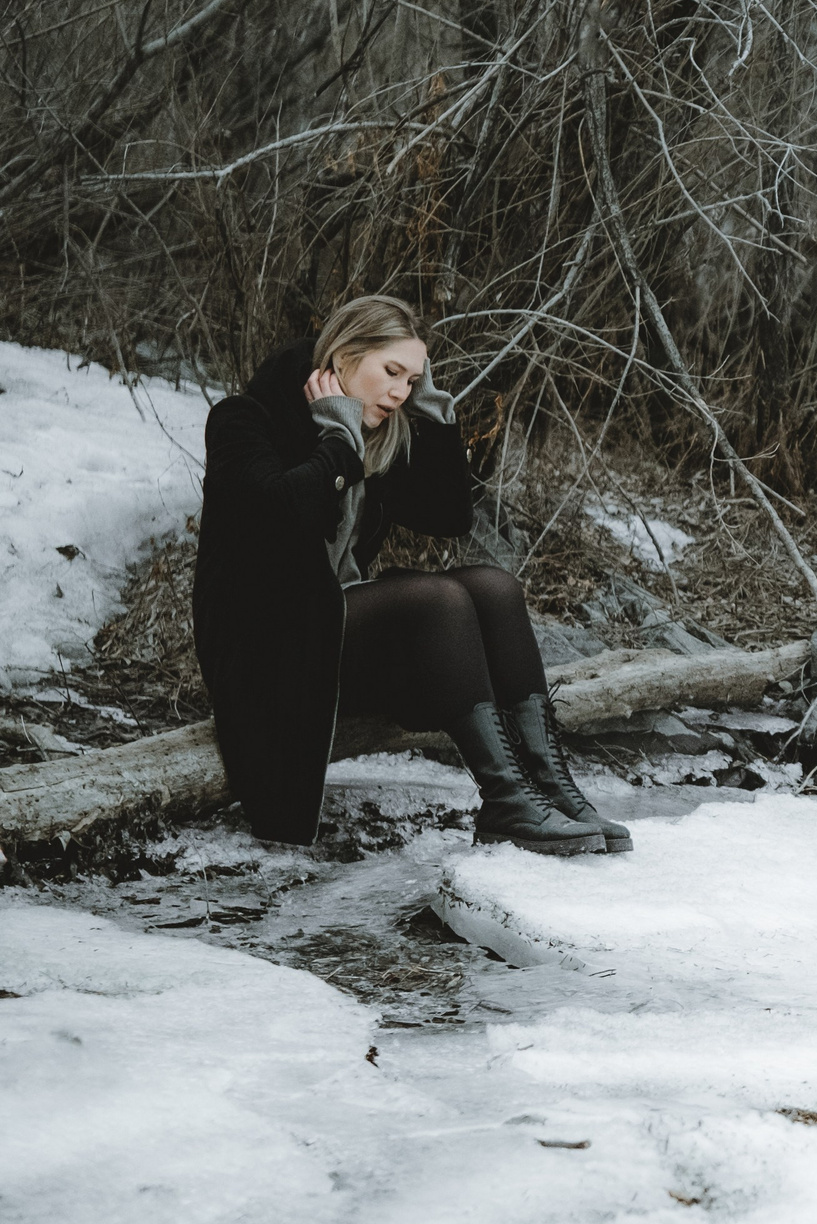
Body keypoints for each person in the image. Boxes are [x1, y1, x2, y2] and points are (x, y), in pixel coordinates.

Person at [191, 294, 630, 856]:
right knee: (437, 598)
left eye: (413, 379)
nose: (400, 391)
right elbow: (286, 513)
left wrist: (436, 414)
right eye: (391, 372)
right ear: (345, 356)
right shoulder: (243, 419)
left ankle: (550, 791)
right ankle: (506, 799)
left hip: (333, 627)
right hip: (268, 645)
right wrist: (338, 436)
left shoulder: (382, 432)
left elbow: (449, 516)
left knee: (495, 587)